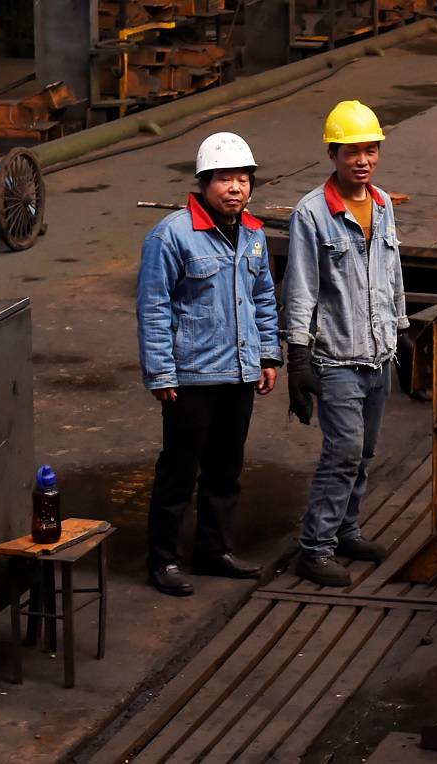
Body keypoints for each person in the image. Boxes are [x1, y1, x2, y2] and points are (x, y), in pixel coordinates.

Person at [136, 132, 280, 597]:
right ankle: (164, 561)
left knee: (225, 470)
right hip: (191, 376)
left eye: (242, 178)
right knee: (179, 471)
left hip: (238, 373)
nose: (235, 188)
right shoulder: (171, 235)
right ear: (203, 184)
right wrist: (160, 372)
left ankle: (213, 551)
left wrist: (268, 355)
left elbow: (263, 298)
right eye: (224, 179)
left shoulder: (255, 235)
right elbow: (154, 306)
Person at [283, 100, 411, 587]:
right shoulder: (312, 215)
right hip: (336, 358)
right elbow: (300, 289)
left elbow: (393, 273)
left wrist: (402, 329)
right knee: (342, 452)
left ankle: (347, 531)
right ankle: (314, 549)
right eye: (353, 151)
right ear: (333, 155)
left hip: (380, 353)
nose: (363, 160)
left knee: (366, 452)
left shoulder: (381, 204)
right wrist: (297, 358)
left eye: (371, 150)